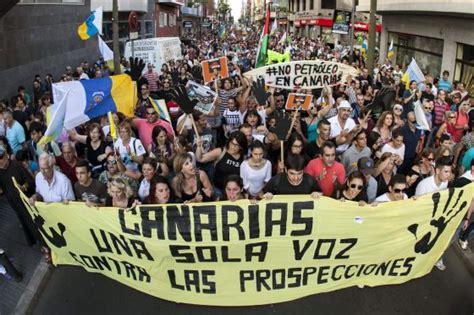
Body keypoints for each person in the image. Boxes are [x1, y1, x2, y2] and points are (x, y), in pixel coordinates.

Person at [414, 156, 452, 271]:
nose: (448, 175)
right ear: (437, 171)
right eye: (446, 171)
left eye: (450, 172)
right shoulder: (424, 185)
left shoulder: (444, 183)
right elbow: (416, 207)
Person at [0, 145, 38, 246]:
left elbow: (30, 180)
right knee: (25, 222)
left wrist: (24, 187)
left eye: (1, 157)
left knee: (36, 223)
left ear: (6, 155)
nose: (0, 161)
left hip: (28, 201)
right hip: (15, 204)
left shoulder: (17, 165)